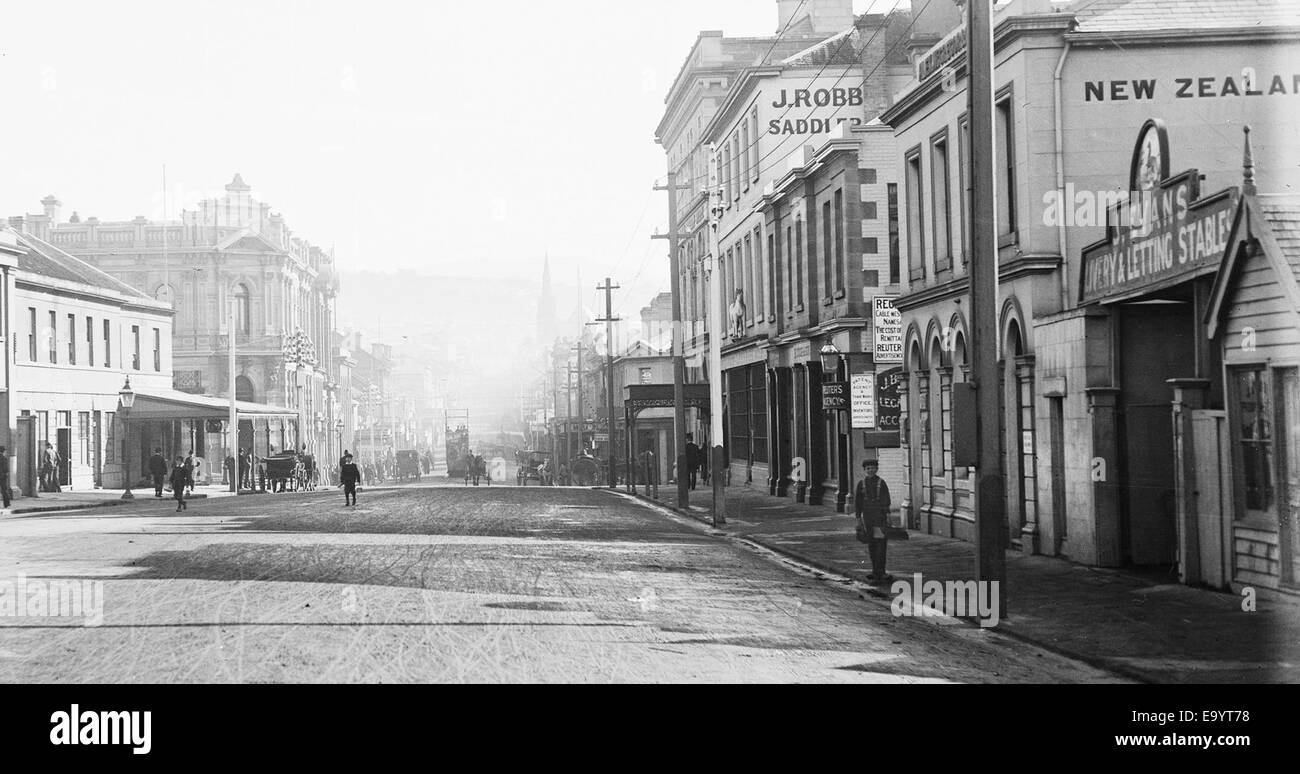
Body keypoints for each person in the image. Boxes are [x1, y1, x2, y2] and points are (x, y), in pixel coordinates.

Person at [854, 458, 893, 583]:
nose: (871, 470)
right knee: (871, 544)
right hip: (868, 518)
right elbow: (858, 503)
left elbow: (886, 500)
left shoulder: (881, 483)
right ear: (865, 470)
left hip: (879, 517)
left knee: (880, 544)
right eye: (868, 468)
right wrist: (858, 519)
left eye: (873, 468)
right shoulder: (861, 484)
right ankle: (875, 571)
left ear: (877, 469)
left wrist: (888, 516)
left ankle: (881, 572)